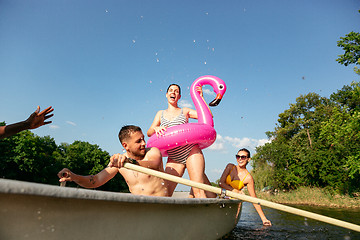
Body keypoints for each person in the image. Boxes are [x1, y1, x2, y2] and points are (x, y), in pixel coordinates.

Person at [58, 125, 169, 197]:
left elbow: (153, 164)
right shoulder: (120, 163)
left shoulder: (153, 152)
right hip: (141, 210)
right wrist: (74, 177)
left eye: (143, 138)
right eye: (138, 141)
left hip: (162, 206)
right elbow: (96, 180)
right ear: (126, 146)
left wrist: (130, 162)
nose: (144, 143)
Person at [147, 84, 216, 198]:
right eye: (171, 90)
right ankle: (204, 192)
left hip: (191, 152)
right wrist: (156, 128)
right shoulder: (160, 114)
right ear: (166, 94)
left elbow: (208, 116)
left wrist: (201, 98)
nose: (173, 92)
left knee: (199, 190)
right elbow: (149, 132)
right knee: (164, 193)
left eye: (176, 91)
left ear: (179, 96)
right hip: (174, 157)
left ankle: (202, 207)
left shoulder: (185, 111)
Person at [219, 148, 272, 226]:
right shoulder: (230, 167)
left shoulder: (248, 178)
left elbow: (253, 198)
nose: (240, 159)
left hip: (234, 202)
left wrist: (264, 219)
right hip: (222, 196)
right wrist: (235, 190)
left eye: (243, 157)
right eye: (238, 156)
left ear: (248, 159)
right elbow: (221, 183)